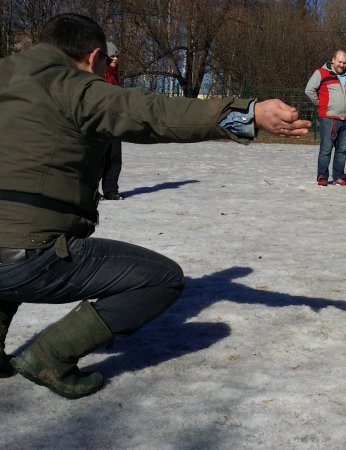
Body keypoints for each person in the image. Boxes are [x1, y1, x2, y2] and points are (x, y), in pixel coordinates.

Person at [0, 13, 310, 398]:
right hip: (27, 254)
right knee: (161, 277)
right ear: (94, 56)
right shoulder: (73, 86)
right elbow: (152, 113)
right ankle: (50, 355)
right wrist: (247, 114)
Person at [305, 50, 346, 186]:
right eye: (339, 61)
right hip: (328, 118)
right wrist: (321, 103)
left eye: (344, 62)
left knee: (342, 150)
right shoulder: (321, 73)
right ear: (333, 60)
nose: (342, 65)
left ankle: (339, 176)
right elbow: (309, 90)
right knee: (326, 149)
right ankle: (322, 176)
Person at [100, 41, 124, 200]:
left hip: (115, 124)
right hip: (100, 124)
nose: (116, 59)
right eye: (112, 56)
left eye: (117, 56)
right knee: (98, 159)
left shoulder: (115, 77)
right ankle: (91, 191)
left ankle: (111, 190)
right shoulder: (98, 75)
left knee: (114, 158)